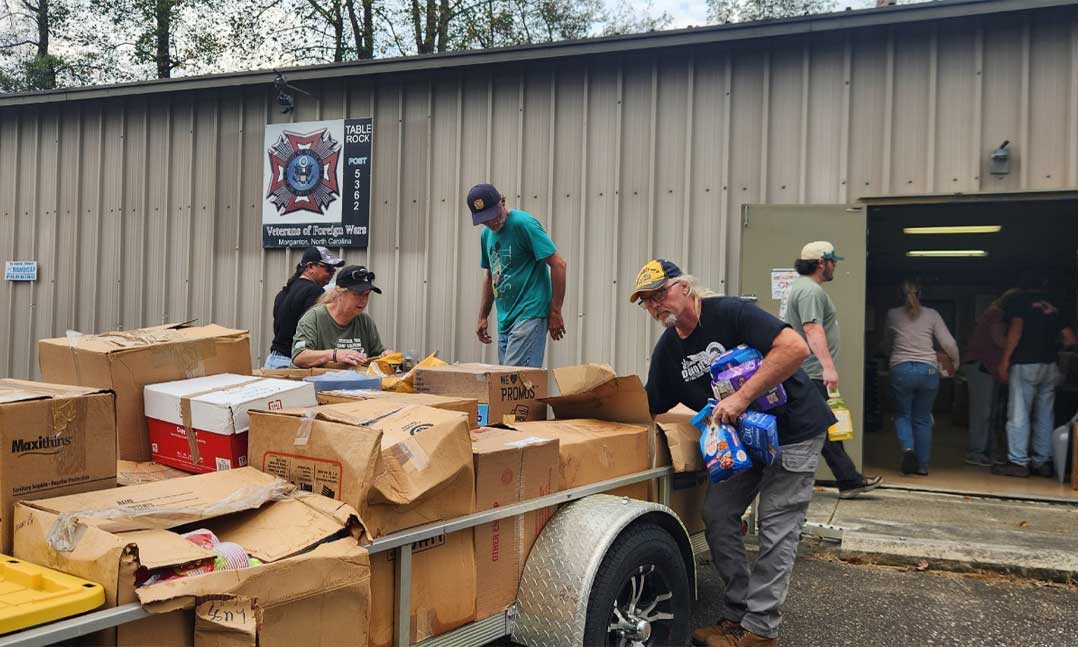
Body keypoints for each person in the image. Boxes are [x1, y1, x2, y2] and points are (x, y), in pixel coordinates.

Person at [633, 259, 833, 647]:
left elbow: (794, 348)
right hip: (744, 445)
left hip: (794, 431)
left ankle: (760, 632)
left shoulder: (731, 313)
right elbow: (647, 404)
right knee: (718, 513)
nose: (656, 306)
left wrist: (742, 396)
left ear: (685, 288)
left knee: (776, 528)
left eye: (660, 294)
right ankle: (738, 615)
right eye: (647, 302)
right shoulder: (669, 351)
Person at [783, 241, 882, 499]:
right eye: (832, 261)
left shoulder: (807, 289)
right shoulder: (809, 292)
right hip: (810, 372)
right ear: (821, 263)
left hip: (809, 372)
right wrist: (828, 368)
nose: (835, 265)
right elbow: (812, 329)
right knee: (820, 426)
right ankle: (847, 480)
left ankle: (849, 480)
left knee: (824, 427)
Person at [467, 183, 568, 368]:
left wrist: (555, 311)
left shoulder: (523, 224)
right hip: (505, 320)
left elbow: (559, 264)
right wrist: (483, 316)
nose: (491, 223)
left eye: (493, 216)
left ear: (502, 202)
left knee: (513, 383)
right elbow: (491, 276)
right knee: (508, 388)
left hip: (529, 313)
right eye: (484, 220)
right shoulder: (486, 235)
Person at [992, 276, 1076, 478]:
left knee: (1019, 413)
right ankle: (1042, 461)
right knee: (1045, 415)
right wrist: (1051, 345)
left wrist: (1005, 359)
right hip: (1050, 365)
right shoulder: (1055, 304)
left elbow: (1016, 330)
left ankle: (1018, 462)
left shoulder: (1019, 301)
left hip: (1025, 363)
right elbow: (1070, 339)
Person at [883, 280, 959, 476]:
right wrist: (956, 363)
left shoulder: (892, 314)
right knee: (923, 419)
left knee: (902, 414)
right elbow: (948, 343)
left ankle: (908, 450)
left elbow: (886, 344)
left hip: (901, 369)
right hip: (928, 370)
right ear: (921, 294)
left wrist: (885, 354)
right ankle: (923, 466)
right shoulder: (932, 315)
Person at [291, 265, 390, 368]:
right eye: (357, 294)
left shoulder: (365, 321)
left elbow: (377, 354)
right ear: (339, 294)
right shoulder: (314, 318)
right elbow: (299, 356)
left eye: (367, 294)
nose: (363, 300)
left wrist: (386, 356)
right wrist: (334, 354)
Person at [266, 246, 345, 368]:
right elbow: (317, 331)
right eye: (328, 269)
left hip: (273, 361)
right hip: (292, 364)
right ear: (310, 267)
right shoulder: (315, 292)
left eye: (333, 270)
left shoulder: (285, 291)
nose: (331, 274)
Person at [962, 290, 1016, 467]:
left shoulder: (992, 313)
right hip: (981, 366)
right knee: (982, 412)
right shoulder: (996, 314)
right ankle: (976, 453)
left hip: (985, 367)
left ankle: (986, 452)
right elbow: (999, 340)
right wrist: (1018, 338)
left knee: (989, 412)